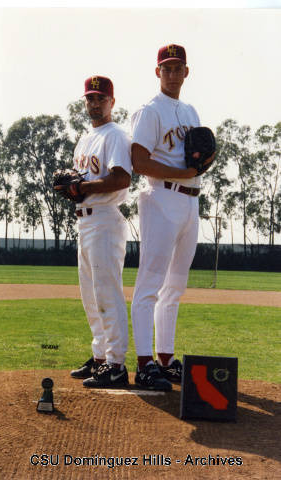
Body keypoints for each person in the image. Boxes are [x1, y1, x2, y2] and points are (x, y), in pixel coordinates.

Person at [130, 44, 215, 391]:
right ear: (157, 73)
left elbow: (198, 157)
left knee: (175, 286)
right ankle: (144, 362)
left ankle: (165, 360)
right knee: (150, 282)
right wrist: (186, 173)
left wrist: (204, 163)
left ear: (186, 72)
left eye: (178, 67)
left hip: (190, 203)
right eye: (166, 67)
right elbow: (138, 161)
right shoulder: (149, 111)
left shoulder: (191, 111)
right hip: (161, 196)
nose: (172, 73)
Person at [67, 76, 132, 388]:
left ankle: (117, 364)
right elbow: (80, 184)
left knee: (107, 293)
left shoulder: (116, 135)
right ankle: (100, 358)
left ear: (112, 102)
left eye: (100, 98)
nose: (95, 104)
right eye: (90, 98)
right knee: (91, 297)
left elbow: (121, 179)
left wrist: (82, 186)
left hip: (105, 218)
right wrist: (73, 189)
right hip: (85, 220)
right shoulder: (84, 139)